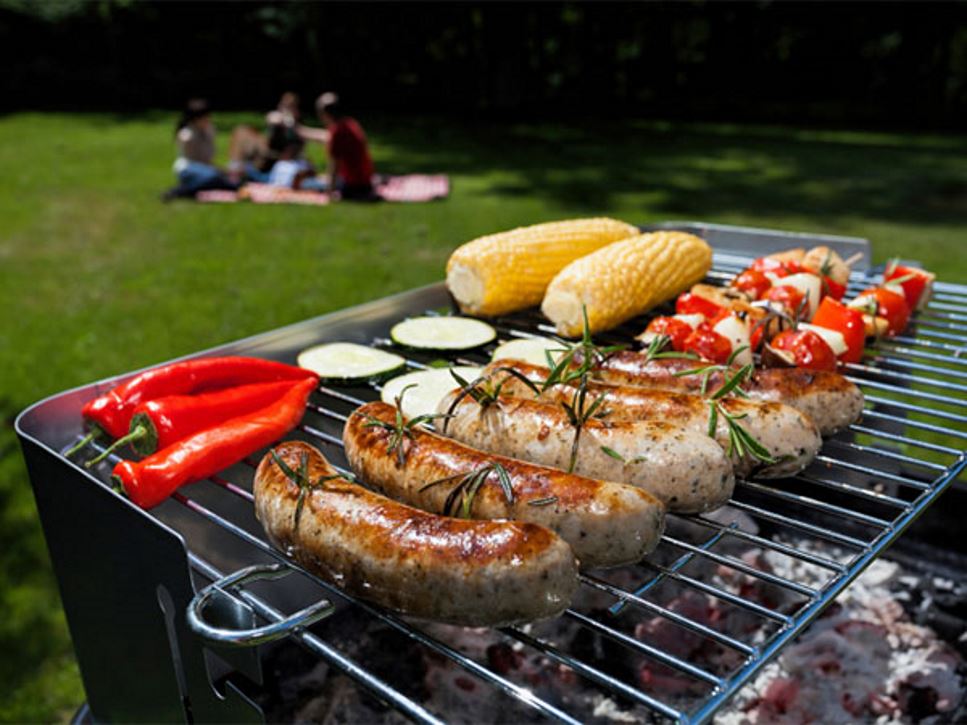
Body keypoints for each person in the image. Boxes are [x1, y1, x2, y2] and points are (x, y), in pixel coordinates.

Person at [165, 99, 238, 199]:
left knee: (230, 180)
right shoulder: (187, 136)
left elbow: (209, 155)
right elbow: (196, 160)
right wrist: (216, 169)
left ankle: (192, 188)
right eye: (205, 117)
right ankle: (181, 191)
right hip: (188, 168)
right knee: (213, 178)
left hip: (205, 168)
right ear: (195, 119)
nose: (208, 119)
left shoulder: (209, 130)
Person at [315, 92, 376, 200]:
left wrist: (329, 193)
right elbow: (326, 136)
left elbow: (334, 165)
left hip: (353, 186)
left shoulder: (338, 132)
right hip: (366, 182)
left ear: (324, 113)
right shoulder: (350, 124)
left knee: (308, 183)